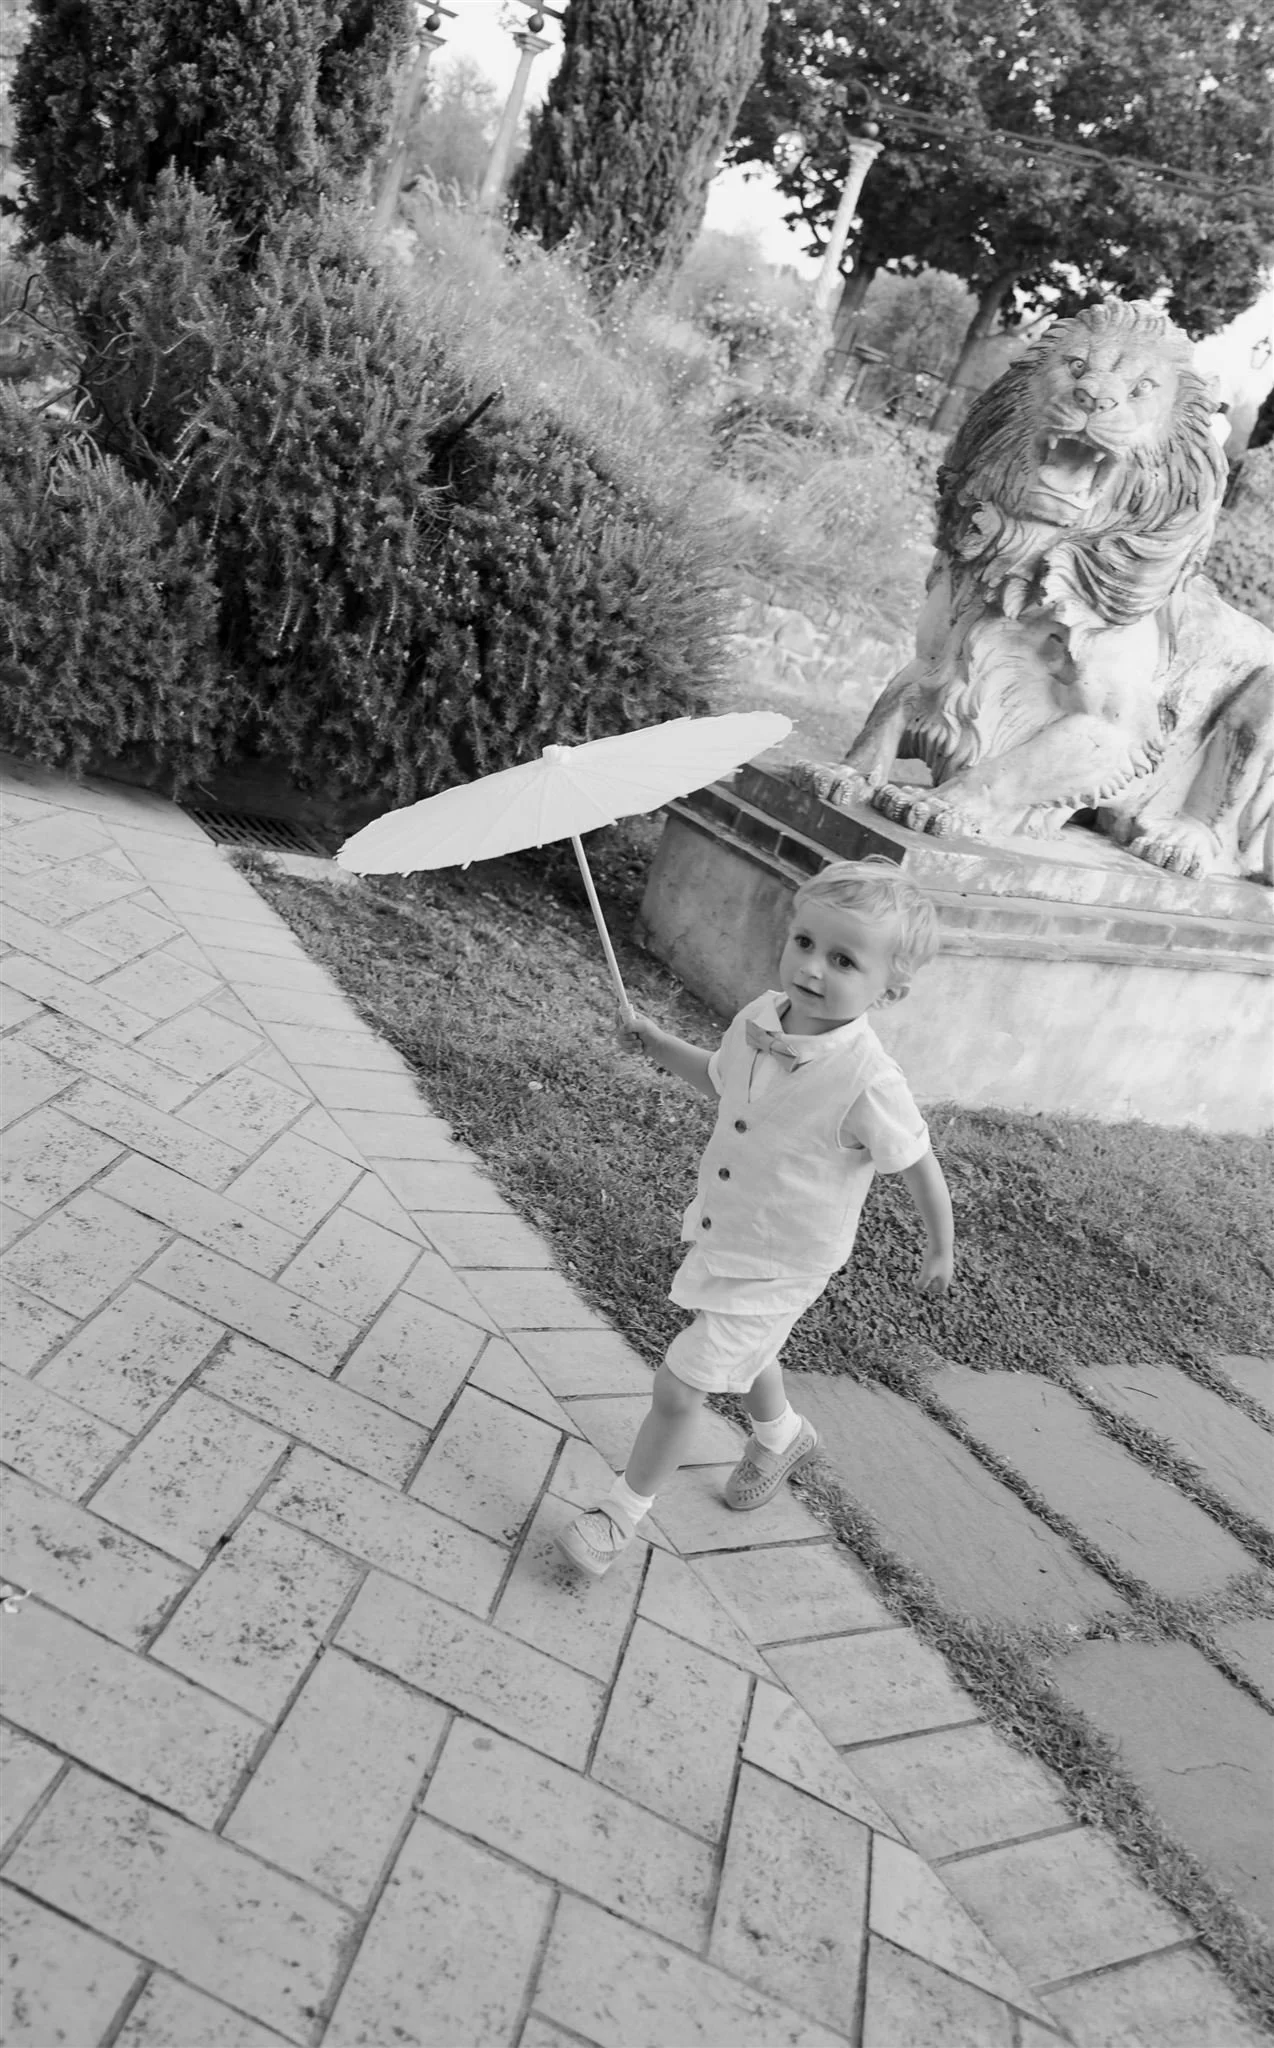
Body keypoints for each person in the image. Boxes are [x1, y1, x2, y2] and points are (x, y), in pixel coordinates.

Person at [557, 855, 955, 1579]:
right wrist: (653, 1043)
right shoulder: (757, 1018)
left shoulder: (869, 1080)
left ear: (890, 987)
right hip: (728, 1229)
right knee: (747, 1345)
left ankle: (617, 1519)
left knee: (682, 1384)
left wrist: (940, 1247)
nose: (812, 967)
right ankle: (781, 1435)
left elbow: (918, 1162)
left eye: (843, 959)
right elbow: (718, 1077)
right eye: (805, 942)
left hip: (787, 1259)